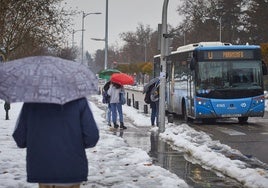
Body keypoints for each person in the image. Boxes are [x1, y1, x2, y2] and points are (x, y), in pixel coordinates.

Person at [12, 97, 99, 188]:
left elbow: (20, 138)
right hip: (72, 167)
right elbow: (92, 137)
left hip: (42, 168)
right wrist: (75, 145)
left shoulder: (31, 103)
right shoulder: (79, 101)